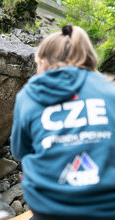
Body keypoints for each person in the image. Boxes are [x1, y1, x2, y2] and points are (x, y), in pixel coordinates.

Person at [11, 25, 115, 220]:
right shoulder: (110, 91)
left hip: (51, 209)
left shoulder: (28, 96)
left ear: (43, 62)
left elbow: (19, 152)